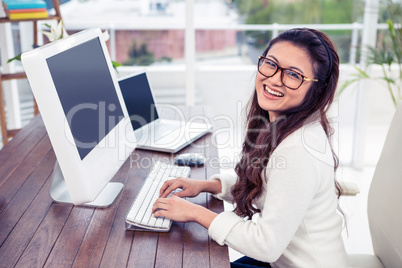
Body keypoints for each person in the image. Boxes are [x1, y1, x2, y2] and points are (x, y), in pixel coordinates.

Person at [152, 28, 347, 268]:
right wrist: (208, 185)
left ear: (316, 89)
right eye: (270, 64)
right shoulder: (285, 125)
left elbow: (266, 245)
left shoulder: (299, 150)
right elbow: (271, 184)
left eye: (293, 75)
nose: (274, 79)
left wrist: (195, 213)